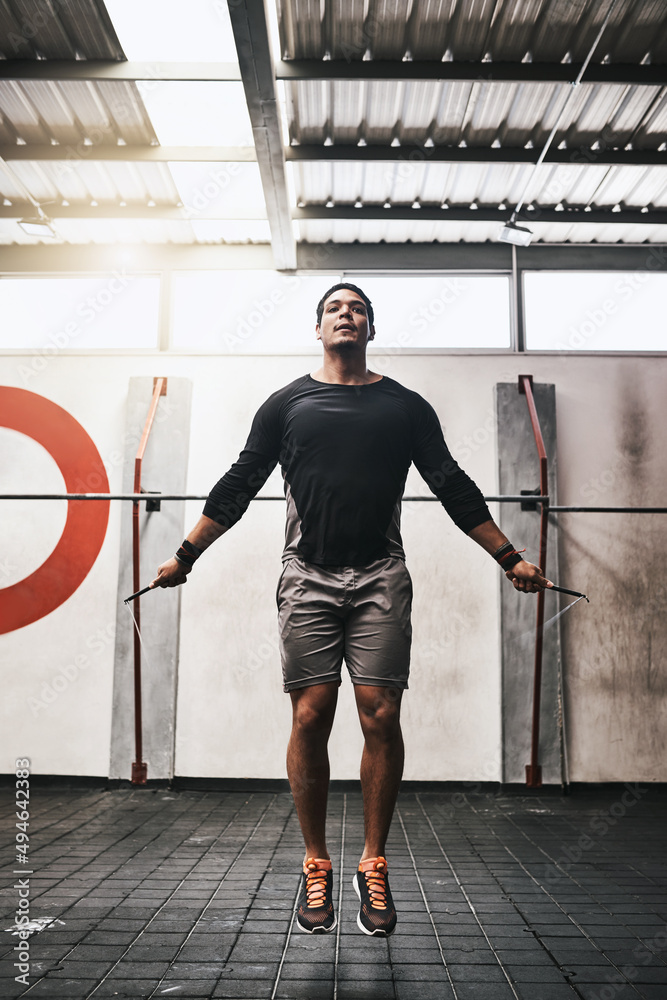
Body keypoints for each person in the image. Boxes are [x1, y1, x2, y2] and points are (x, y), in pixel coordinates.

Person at [151, 282, 551, 938]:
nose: (346, 314)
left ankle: (373, 862)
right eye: (335, 308)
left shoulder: (404, 407)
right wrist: (185, 555)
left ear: (370, 327)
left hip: (379, 578)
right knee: (310, 712)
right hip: (306, 577)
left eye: (357, 309)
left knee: (381, 712)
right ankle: (315, 863)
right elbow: (239, 483)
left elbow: (450, 484)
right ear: (318, 329)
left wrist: (509, 557)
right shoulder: (286, 405)